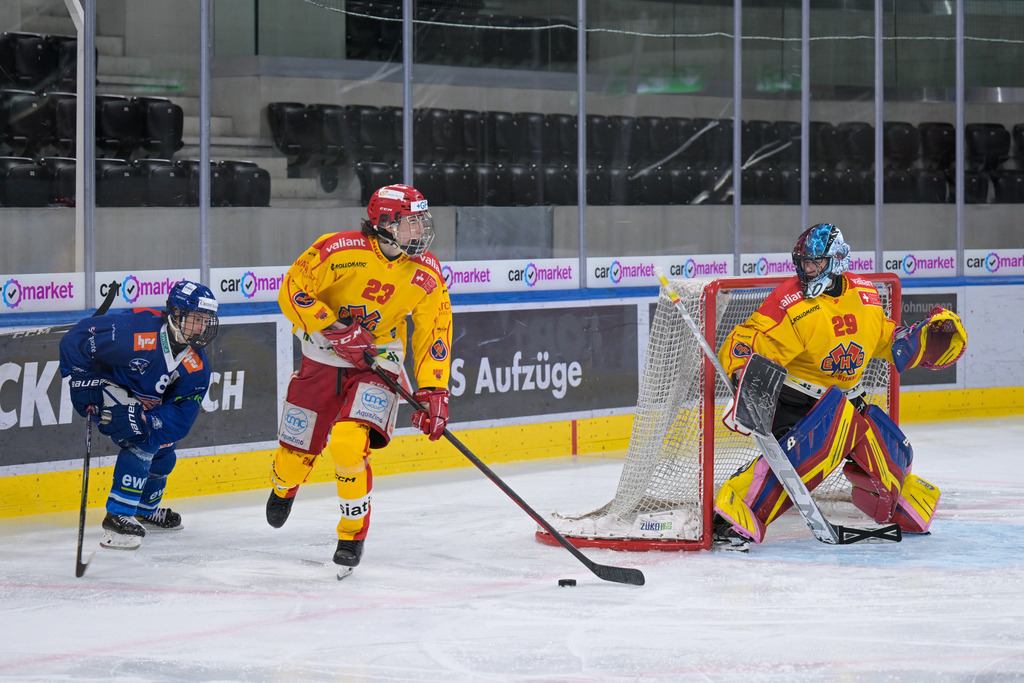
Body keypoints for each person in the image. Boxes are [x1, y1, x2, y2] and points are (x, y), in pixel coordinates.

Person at [713, 223, 967, 547]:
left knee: (895, 458)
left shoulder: (865, 294)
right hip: (797, 407)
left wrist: (918, 340)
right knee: (812, 450)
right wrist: (742, 370)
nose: (807, 269)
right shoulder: (791, 300)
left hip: (847, 402)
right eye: (803, 261)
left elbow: (882, 337)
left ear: (837, 262)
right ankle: (734, 513)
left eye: (815, 262)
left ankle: (896, 502)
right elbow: (749, 338)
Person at [266, 183, 453, 573]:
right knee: (291, 461)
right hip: (322, 356)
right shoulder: (337, 250)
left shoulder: (426, 273)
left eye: (422, 221)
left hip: (379, 360)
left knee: (350, 445)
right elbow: (292, 290)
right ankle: (285, 486)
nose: (420, 230)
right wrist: (335, 327)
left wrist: (434, 389)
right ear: (383, 223)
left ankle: (352, 533)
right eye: (410, 223)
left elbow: (435, 329)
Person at [59, 281, 219, 550]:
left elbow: (182, 414)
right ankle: (117, 516)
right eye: (196, 319)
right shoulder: (134, 331)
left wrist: (150, 422)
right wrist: (81, 381)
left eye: (206, 320)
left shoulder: (198, 366)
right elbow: (76, 339)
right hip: (106, 388)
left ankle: (144, 509)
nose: (202, 327)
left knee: (165, 451)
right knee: (141, 441)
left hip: (143, 405)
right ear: (176, 314)